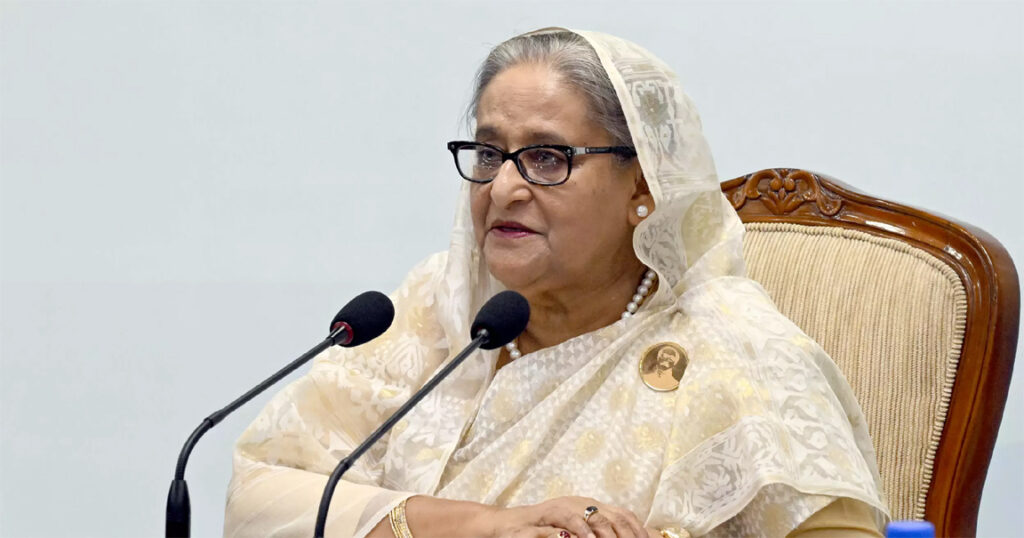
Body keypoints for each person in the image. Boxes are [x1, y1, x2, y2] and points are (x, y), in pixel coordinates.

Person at [224, 28, 888, 538]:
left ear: (642, 185)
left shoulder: (737, 354)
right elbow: (255, 497)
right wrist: (485, 525)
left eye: (546, 158)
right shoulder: (437, 308)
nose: (502, 188)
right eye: (490, 153)